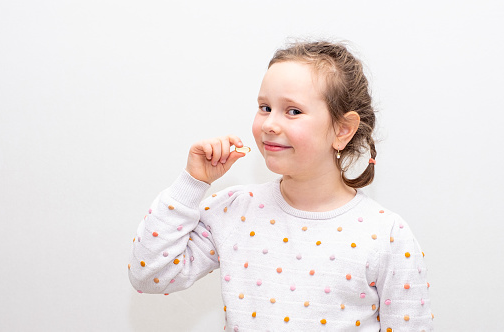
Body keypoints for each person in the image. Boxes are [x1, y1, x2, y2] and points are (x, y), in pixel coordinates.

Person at [128, 40, 433, 331]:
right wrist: (193, 183)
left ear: (342, 130)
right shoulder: (235, 209)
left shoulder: (386, 235)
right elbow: (150, 274)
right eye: (265, 107)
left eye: (293, 111)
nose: (270, 124)